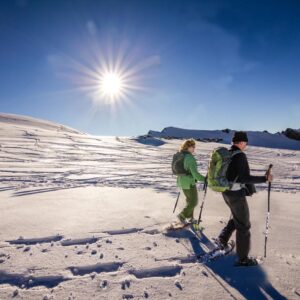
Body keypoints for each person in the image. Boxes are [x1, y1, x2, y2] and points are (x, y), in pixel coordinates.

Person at [216, 131, 273, 266]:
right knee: (244, 225)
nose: (246, 145)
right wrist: (264, 179)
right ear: (241, 142)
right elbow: (244, 178)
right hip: (236, 194)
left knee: (237, 217)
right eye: (245, 142)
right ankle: (243, 259)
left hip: (226, 192)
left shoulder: (228, 154)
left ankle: (223, 238)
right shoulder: (240, 156)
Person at [176, 139, 206, 224]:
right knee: (194, 201)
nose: (194, 149)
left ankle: (190, 218)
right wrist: (205, 179)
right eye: (193, 146)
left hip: (181, 181)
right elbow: (195, 174)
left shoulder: (180, 155)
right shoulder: (190, 157)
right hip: (189, 182)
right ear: (188, 147)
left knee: (190, 201)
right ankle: (182, 215)